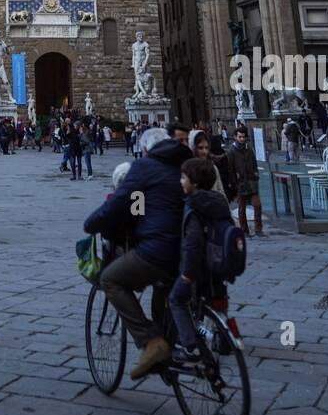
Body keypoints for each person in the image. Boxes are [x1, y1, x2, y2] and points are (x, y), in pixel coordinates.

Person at [83, 127, 190, 378]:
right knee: (164, 292)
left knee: (110, 279)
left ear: (144, 149)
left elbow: (121, 205)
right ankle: (170, 348)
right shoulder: (188, 165)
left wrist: (92, 224)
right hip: (193, 252)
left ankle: (152, 341)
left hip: (160, 250)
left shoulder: (144, 167)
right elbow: (139, 206)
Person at [168, 157, 233, 364]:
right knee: (216, 301)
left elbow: (192, 244)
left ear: (193, 183)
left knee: (176, 299)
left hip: (198, 269)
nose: (180, 181)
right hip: (220, 266)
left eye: (183, 178)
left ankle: (189, 346)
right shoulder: (219, 202)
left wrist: (187, 273)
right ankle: (222, 333)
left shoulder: (193, 206)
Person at [226, 125, 263, 236]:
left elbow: (254, 163)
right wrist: (234, 182)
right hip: (240, 183)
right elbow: (230, 169)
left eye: (243, 137)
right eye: (240, 137)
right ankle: (244, 230)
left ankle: (258, 229)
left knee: (257, 205)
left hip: (251, 182)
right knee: (242, 209)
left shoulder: (249, 149)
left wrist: (256, 174)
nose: (242, 139)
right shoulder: (231, 151)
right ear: (235, 137)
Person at [190, 130, 235, 201]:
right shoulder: (188, 170)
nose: (204, 151)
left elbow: (220, 192)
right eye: (200, 148)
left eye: (206, 148)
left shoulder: (212, 167)